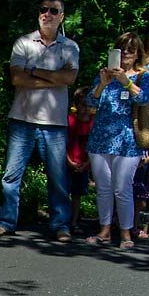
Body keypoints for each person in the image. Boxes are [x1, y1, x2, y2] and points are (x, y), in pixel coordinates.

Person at [0, 0, 79, 243]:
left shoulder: (70, 46)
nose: (47, 14)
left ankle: (60, 224)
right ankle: (6, 222)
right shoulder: (23, 43)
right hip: (22, 119)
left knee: (58, 178)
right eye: (43, 10)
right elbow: (17, 79)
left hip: (55, 123)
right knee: (10, 176)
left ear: (62, 17)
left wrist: (34, 71)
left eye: (53, 11)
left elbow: (69, 79)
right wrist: (54, 77)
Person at [84, 32, 149, 249]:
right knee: (104, 187)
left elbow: (145, 98)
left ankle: (126, 232)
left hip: (128, 141)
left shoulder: (144, 76)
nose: (126, 53)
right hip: (100, 139)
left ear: (138, 54)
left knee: (122, 187)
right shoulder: (105, 74)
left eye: (131, 50)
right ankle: (104, 230)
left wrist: (126, 82)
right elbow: (89, 102)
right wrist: (102, 84)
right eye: (122, 48)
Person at [66, 86, 93, 234]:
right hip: (68, 162)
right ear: (76, 105)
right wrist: (68, 161)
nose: (86, 109)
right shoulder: (69, 120)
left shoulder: (94, 124)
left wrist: (87, 163)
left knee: (77, 195)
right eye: (82, 104)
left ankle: (74, 221)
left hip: (84, 164)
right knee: (64, 191)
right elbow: (62, 143)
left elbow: (94, 147)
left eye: (89, 105)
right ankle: (62, 219)